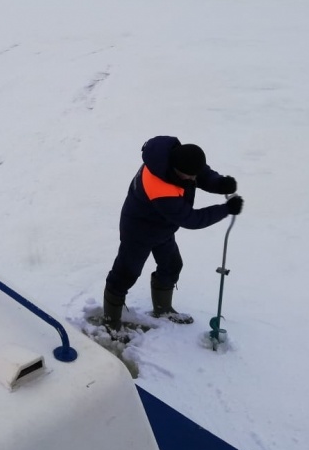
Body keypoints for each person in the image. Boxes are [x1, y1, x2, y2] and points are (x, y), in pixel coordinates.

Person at [103, 136, 243, 330]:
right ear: (177, 171)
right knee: (126, 274)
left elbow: (200, 173)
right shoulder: (161, 188)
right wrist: (225, 209)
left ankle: (163, 309)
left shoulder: (177, 159)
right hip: (138, 231)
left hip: (163, 228)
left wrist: (219, 184)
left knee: (172, 266)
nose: (194, 180)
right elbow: (191, 219)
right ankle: (111, 323)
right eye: (189, 177)